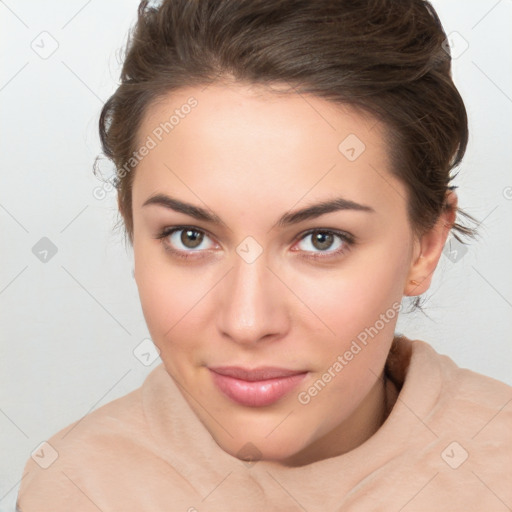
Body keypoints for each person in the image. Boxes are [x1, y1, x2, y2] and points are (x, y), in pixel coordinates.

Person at [17, 0, 512, 510]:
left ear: (425, 247)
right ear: (133, 231)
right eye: (189, 236)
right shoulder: (74, 486)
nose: (248, 322)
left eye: (322, 239)